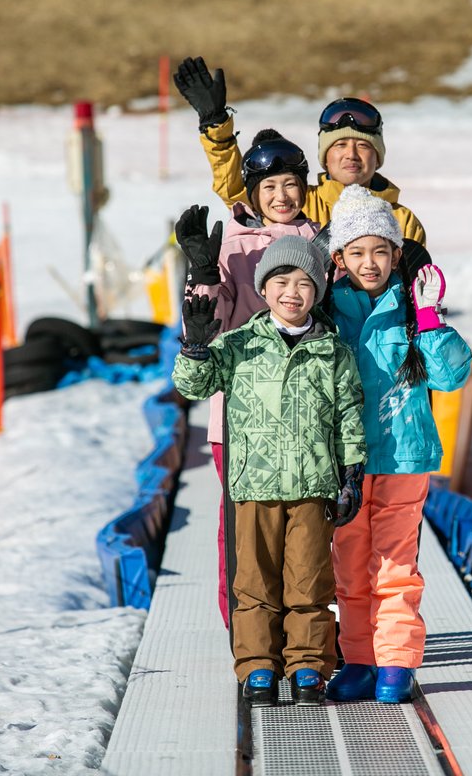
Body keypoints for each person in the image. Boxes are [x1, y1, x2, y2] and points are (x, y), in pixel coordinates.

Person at [172, 235, 367, 706]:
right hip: (253, 485)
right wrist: (196, 350)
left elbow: (349, 414)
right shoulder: (239, 344)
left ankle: (306, 667)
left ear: (318, 293)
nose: (292, 293)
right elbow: (193, 386)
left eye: (304, 284)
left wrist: (352, 472)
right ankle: (258, 665)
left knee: (310, 582)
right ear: (264, 288)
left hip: (312, 486)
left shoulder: (333, 352)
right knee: (254, 582)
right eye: (281, 282)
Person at [319, 185, 472, 703]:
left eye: (380, 251)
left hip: (405, 456)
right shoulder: (327, 313)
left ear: (395, 255)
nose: (370, 262)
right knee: (350, 566)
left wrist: (430, 321)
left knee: (395, 566)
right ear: (339, 257)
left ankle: (397, 662)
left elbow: (451, 377)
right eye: (358, 251)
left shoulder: (411, 308)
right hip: (348, 462)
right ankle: (359, 659)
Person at [177, 129, 320, 628]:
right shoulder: (234, 246)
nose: (282, 197)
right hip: (242, 417)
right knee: (243, 533)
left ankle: (304, 632)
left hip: (307, 414)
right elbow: (210, 322)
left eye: (290, 185)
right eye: (269, 188)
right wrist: (202, 271)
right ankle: (247, 632)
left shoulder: (323, 241)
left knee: (304, 534)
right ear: (254, 195)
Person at [173, 56, 427, 245]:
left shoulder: (402, 221)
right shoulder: (299, 202)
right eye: (340, 145)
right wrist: (216, 126)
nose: (351, 154)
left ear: (378, 156)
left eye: (363, 145)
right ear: (325, 157)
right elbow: (240, 191)